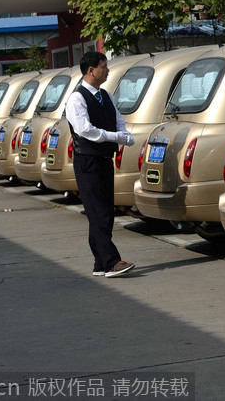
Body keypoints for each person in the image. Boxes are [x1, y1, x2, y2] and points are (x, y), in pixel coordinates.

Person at [65, 51, 136, 278]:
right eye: (104, 66)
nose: (107, 70)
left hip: (104, 158)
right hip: (87, 159)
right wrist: (116, 137)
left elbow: (117, 119)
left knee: (105, 210)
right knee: (98, 212)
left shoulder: (105, 95)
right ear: (91, 70)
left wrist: (123, 133)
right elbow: (84, 129)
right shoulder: (77, 98)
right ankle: (111, 261)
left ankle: (99, 263)